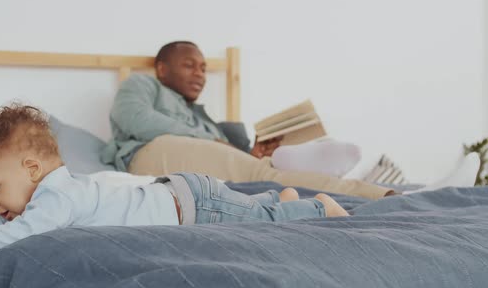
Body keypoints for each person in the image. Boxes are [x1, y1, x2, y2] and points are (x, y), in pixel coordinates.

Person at [0, 104, 348, 273]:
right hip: (187, 195)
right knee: (249, 210)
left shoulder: (57, 200)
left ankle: (317, 206)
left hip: (193, 207)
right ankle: (280, 196)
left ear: (31, 167)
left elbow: (26, 233)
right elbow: (18, 225)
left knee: (257, 224)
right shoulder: (53, 196)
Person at [102, 41, 394, 199]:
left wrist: (248, 153)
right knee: (262, 176)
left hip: (191, 155)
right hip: (150, 152)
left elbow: (218, 155)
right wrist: (212, 140)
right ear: (162, 69)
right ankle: (375, 193)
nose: (200, 74)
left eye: (204, 68)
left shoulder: (204, 119)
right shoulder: (142, 85)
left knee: (258, 173)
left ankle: (279, 159)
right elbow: (135, 119)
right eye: (189, 66)